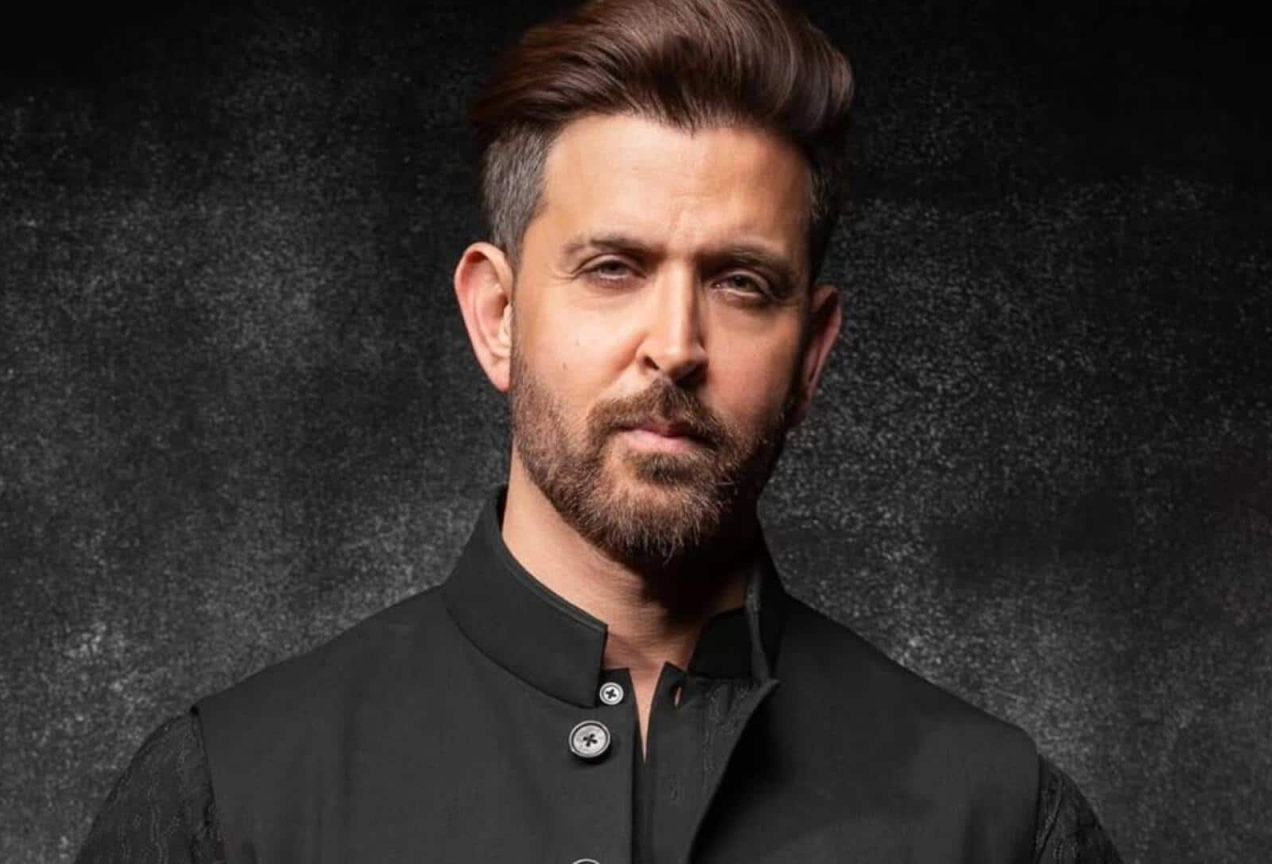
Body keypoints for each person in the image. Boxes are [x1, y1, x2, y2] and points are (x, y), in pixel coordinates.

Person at [76, 0, 1122, 860]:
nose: (676, 345)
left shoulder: (996, 818)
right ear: (497, 314)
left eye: (741, 283)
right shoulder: (231, 797)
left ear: (811, 353)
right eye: (613, 268)